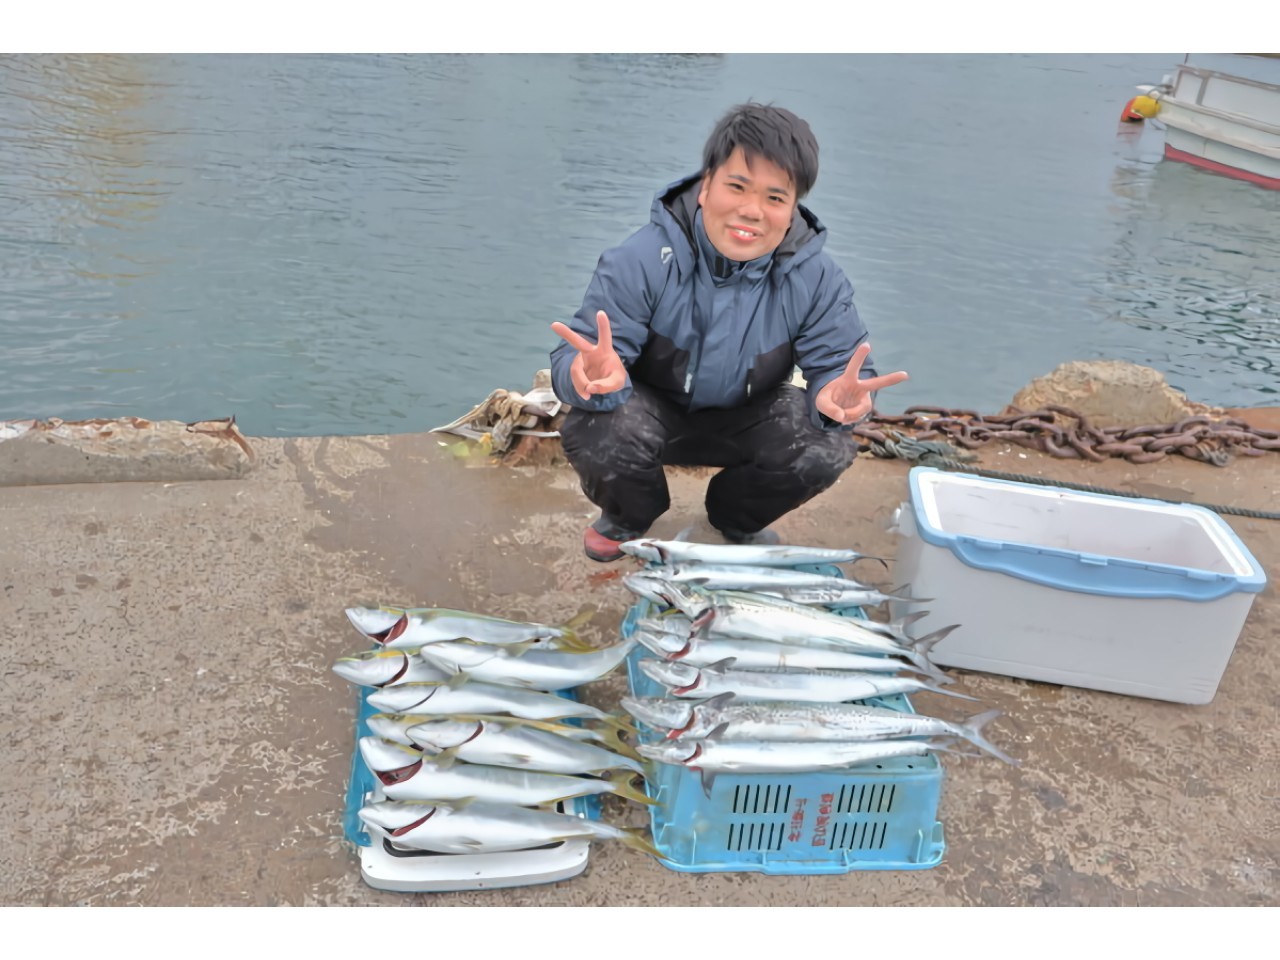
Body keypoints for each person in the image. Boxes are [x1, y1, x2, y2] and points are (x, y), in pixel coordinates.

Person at [549, 102, 909, 562]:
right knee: (597, 426)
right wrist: (583, 373)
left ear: (793, 205)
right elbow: (581, 352)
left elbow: (842, 367)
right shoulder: (638, 260)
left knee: (827, 445)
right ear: (705, 186)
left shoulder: (817, 278)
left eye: (775, 198)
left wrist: (842, 399)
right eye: (737, 187)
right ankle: (628, 515)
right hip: (649, 411)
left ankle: (735, 517)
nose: (751, 211)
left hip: (749, 416)